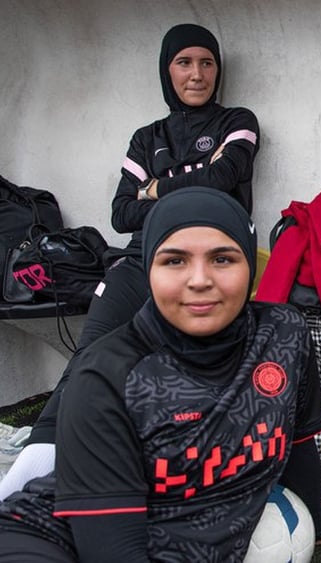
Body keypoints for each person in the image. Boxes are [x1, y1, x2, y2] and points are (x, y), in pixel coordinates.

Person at [0, 188, 321, 561]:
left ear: (249, 264)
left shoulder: (284, 334)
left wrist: (317, 523)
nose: (199, 280)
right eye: (174, 261)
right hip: (50, 537)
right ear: (150, 269)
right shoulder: (106, 374)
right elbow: (113, 550)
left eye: (222, 259)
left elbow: (297, 443)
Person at [0, 22, 260, 501]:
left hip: (215, 259)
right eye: (184, 63)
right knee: (91, 356)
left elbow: (223, 179)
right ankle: (32, 471)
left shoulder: (237, 120)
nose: (197, 74)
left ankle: (198, 476)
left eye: (207, 63)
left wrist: (156, 188)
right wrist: (186, 185)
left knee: (193, 366)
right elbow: (122, 214)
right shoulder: (147, 138)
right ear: (167, 71)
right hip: (142, 259)